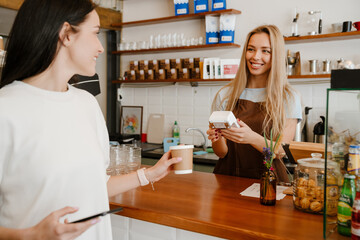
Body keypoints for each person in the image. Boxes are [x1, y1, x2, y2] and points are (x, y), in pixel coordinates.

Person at [0, 0, 181, 239]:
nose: (101, 47)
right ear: (66, 34)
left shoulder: (86, 103)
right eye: (95, 33)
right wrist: (29, 235)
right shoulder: (7, 109)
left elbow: (96, 185)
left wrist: (148, 175)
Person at [207, 25, 302, 181]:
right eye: (251, 49)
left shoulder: (289, 97)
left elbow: (280, 151)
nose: (256, 57)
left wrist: (250, 137)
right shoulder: (225, 95)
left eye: (265, 51)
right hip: (228, 180)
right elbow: (221, 153)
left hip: (270, 183)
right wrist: (216, 138)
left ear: (276, 55)